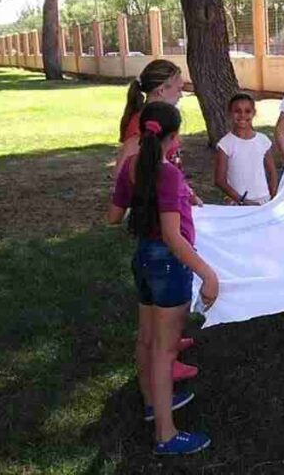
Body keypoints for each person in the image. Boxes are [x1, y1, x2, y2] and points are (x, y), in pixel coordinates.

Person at [108, 102, 218, 455]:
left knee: (147, 339)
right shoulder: (166, 173)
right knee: (163, 350)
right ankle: (166, 435)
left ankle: (152, 404)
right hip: (168, 264)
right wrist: (207, 273)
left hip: (143, 259)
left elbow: (112, 217)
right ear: (173, 136)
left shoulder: (132, 166)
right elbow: (172, 236)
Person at [114, 59, 199, 382]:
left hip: (163, 218)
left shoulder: (157, 121)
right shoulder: (143, 125)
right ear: (162, 90)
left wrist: (184, 191)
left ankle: (171, 343)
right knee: (159, 303)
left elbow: (161, 166)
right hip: (160, 237)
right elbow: (126, 167)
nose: (182, 91)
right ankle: (166, 358)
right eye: (178, 86)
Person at [214, 92, 279, 205]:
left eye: (247, 111)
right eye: (237, 111)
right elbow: (220, 180)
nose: (242, 115)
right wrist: (242, 200)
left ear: (254, 113)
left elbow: (272, 172)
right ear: (229, 113)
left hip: (263, 200)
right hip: (238, 203)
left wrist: (273, 196)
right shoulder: (225, 144)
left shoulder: (262, 140)